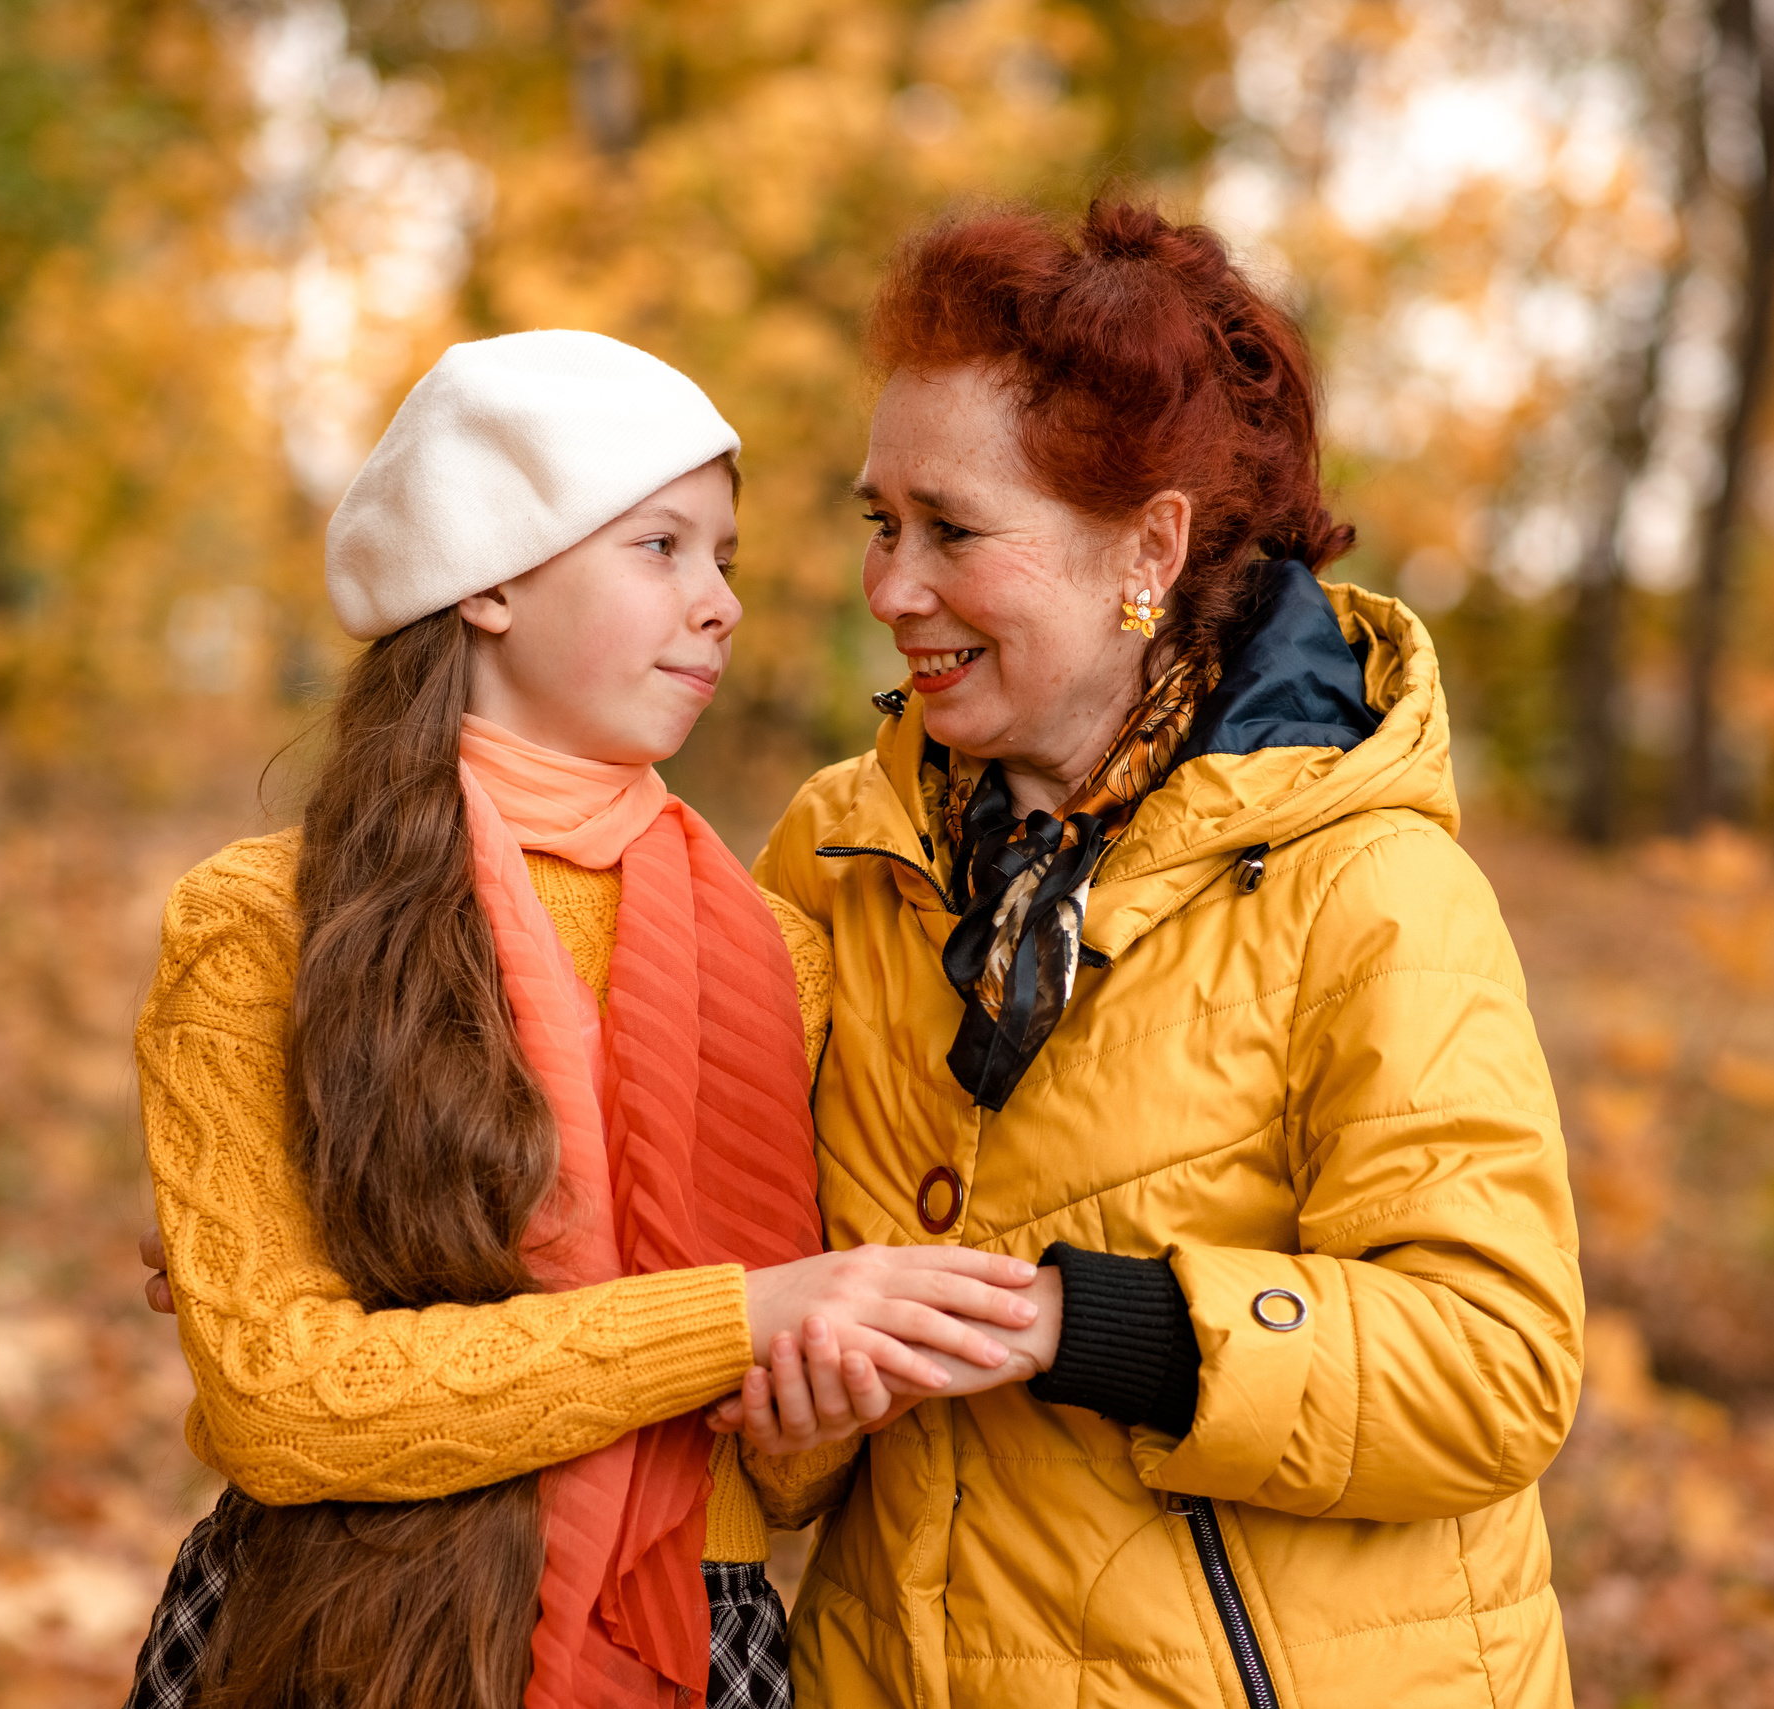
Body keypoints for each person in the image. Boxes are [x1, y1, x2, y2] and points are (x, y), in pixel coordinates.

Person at [721, 200, 1586, 1707]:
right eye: (880, 522)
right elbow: (715, 1286)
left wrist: (1085, 1323)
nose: (889, 589)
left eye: (953, 529)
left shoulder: (1369, 886)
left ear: (1150, 546)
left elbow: (1496, 1362)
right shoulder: (834, 859)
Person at [121, 329, 1042, 1709]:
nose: (721, 602)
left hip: (692, 1630)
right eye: (661, 548)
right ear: (487, 577)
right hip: (345, 1631)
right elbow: (283, 1400)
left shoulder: (779, 957)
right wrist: (734, 1321)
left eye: (723, 557)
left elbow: (777, 1476)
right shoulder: (264, 923)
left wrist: (814, 1390)